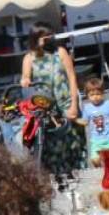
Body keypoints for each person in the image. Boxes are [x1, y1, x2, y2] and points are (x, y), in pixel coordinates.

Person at [20, 21, 86, 179]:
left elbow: (71, 77)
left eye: (49, 36)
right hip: (46, 109)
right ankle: (58, 180)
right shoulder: (29, 58)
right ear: (35, 39)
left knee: (73, 144)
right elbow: (25, 78)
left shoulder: (60, 52)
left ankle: (76, 178)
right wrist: (25, 81)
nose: (48, 39)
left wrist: (74, 105)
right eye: (44, 37)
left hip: (65, 103)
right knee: (52, 148)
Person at [81, 77, 109, 166]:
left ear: (103, 93)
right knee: (95, 160)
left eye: (98, 94)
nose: (95, 97)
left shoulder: (108, 104)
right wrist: (74, 119)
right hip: (96, 140)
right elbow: (85, 122)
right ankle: (100, 170)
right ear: (87, 95)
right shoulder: (87, 107)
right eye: (92, 95)